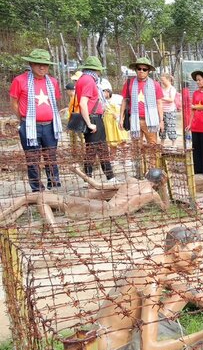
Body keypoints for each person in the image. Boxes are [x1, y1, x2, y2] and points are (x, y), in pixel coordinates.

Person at [95, 226, 203, 350]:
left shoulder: (153, 264)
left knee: (185, 288)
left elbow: (185, 287)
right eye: (195, 251)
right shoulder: (152, 281)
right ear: (176, 250)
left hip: (113, 339)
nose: (200, 258)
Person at [0, 168, 170, 228]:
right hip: (107, 211)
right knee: (31, 198)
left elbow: (98, 186)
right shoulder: (152, 194)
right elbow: (166, 208)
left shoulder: (131, 181)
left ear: (147, 174)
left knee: (41, 198)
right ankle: (4, 218)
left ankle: (55, 231)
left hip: (102, 209)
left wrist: (78, 172)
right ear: (159, 183)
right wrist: (164, 190)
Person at [9, 49, 63, 192]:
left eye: (45, 65)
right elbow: (14, 102)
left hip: (50, 126)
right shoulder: (20, 80)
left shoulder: (52, 82)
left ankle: (54, 184)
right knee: (33, 158)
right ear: (31, 64)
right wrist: (23, 119)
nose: (42, 67)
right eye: (38, 64)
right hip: (29, 125)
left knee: (51, 156)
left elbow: (55, 101)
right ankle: (37, 189)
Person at [74, 56, 115, 183]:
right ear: (96, 70)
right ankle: (104, 177)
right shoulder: (89, 81)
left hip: (94, 117)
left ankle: (94, 177)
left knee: (96, 149)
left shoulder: (83, 79)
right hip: (93, 118)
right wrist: (89, 123)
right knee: (97, 149)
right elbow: (83, 103)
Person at [120, 57, 164, 144]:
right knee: (136, 149)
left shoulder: (155, 84)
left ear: (148, 71)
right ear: (136, 70)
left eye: (144, 69)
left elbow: (159, 103)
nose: (141, 71)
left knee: (152, 147)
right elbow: (124, 101)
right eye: (139, 69)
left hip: (150, 121)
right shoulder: (129, 83)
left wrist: (161, 120)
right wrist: (121, 118)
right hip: (134, 120)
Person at [101, 81, 127, 152]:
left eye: (102, 91)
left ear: (107, 91)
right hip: (109, 124)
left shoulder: (118, 98)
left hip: (118, 122)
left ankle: (125, 160)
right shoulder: (102, 101)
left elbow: (125, 108)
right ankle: (113, 160)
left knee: (123, 142)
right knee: (112, 143)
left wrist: (119, 116)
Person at [158, 73, 178, 147]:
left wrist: (161, 98)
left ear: (168, 80)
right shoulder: (162, 89)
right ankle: (162, 142)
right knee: (162, 127)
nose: (162, 82)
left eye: (163, 80)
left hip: (170, 111)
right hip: (162, 111)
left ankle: (174, 143)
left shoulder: (172, 89)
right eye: (161, 80)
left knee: (170, 127)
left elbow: (171, 99)